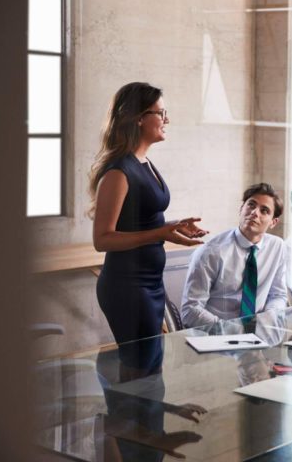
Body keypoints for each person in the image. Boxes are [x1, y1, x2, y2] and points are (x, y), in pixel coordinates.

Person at [90, 82, 207, 371]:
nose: (167, 120)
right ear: (138, 118)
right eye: (161, 112)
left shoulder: (144, 162)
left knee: (149, 370)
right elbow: (102, 239)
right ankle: (130, 417)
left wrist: (174, 226)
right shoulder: (118, 171)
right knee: (140, 372)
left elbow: (140, 221)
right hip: (127, 286)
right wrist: (160, 233)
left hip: (149, 282)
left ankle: (148, 417)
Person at [180, 183, 288, 327]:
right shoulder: (211, 251)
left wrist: (268, 317)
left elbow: (278, 295)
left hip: (259, 335)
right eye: (251, 205)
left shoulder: (277, 246)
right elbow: (190, 311)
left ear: (273, 222)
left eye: (264, 211)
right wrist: (230, 330)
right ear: (241, 209)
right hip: (215, 335)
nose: (255, 213)